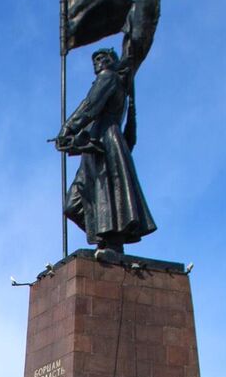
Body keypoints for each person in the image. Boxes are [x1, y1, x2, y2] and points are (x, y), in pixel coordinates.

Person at [55, 46, 156, 257]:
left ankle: (113, 244)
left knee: (107, 194)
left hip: (106, 143)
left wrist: (68, 128)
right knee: (72, 205)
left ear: (111, 60)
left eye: (102, 58)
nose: (97, 62)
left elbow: (90, 105)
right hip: (93, 146)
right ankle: (106, 238)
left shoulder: (108, 78)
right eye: (95, 59)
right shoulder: (112, 80)